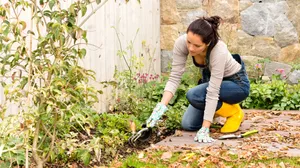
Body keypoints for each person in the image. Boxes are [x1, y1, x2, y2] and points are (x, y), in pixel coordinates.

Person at [146, 16, 250, 143]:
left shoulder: (218, 50)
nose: (191, 48)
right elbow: (174, 77)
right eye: (189, 42)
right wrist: (161, 106)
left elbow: (212, 92)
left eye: (197, 45)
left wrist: (205, 128)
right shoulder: (181, 43)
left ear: (208, 43)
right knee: (188, 124)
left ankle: (234, 112)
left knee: (194, 95)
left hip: (236, 85)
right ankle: (217, 112)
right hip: (211, 83)